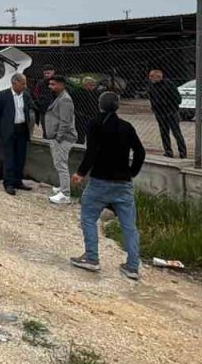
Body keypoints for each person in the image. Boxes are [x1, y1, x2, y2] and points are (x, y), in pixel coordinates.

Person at [70, 92, 145, 281]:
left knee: (88, 218)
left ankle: (92, 257)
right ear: (117, 106)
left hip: (100, 181)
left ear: (99, 105)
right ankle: (132, 266)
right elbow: (140, 152)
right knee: (129, 226)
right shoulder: (126, 126)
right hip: (123, 183)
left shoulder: (95, 124)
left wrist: (80, 173)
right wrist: (131, 172)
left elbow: (92, 151)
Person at [0, 73, 35, 196]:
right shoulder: (3, 95)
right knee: (9, 157)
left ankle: (18, 181)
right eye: (23, 83)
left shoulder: (26, 95)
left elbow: (31, 107)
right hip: (8, 130)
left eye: (25, 83)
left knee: (20, 157)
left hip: (22, 129)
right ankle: (8, 183)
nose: (25, 86)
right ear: (14, 83)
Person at [42, 76, 77, 204]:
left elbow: (65, 121)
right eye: (50, 84)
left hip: (63, 138)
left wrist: (58, 136)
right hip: (58, 137)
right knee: (58, 163)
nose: (50, 87)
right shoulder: (60, 97)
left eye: (53, 84)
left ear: (61, 85)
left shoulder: (65, 100)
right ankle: (63, 187)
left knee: (61, 165)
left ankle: (65, 194)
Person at [147, 69, 187, 159]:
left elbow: (177, 99)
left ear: (158, 77)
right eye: (150, 76)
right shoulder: (151, 86)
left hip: (171, 112)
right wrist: (155, 109)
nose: (150, 78)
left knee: (176, 132)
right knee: (164, 133)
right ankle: (168, 151)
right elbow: (152, 99)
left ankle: (182, 152)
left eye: (152, 76)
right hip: (160, 113)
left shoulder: (169, 85)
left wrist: (171, 108)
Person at [72, 77, 101, 145]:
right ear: (86, 84)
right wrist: (79, 113)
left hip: (93, 116)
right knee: (81, 134)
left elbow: (98, 104)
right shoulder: (78, 93)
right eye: (91, 85)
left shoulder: (95, 93)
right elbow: (73, 105)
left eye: (94, 85)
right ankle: (79, 146)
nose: (93, 87)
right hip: (81, 117)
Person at [31, 65, 58, 135]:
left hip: (54, 109)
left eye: (48, 73)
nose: (46, 75)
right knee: (45, 127)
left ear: (53, 72)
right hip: (43, 108)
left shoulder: (57, 82)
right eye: (45, 73)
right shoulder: (40, 83)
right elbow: (36, 94)